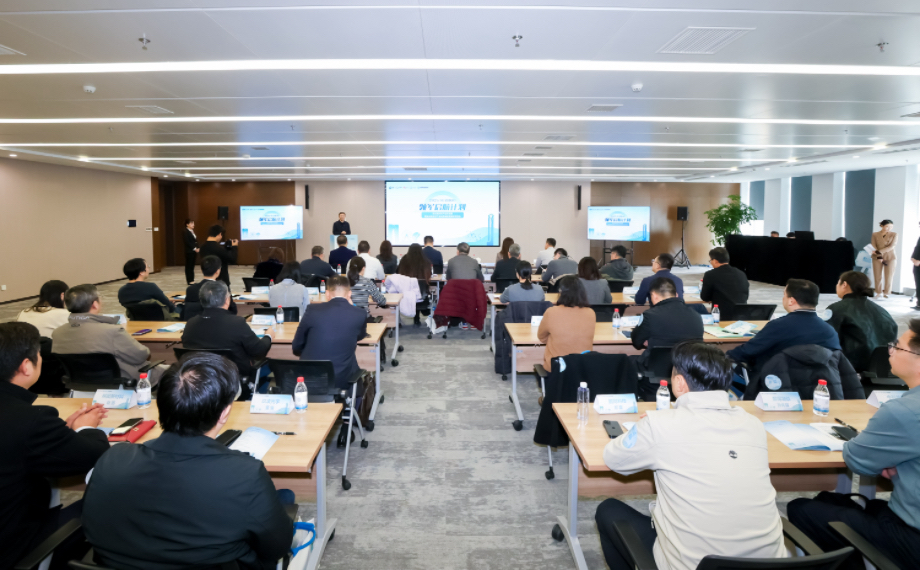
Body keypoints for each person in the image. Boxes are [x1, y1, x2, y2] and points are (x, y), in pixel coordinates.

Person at [82, 352, 295, 570]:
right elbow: (277, 547)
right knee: (285, 500)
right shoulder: (246, 475)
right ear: (224, 413)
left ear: (161, 404)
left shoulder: (112, 458)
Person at [595, 341, 786, 570]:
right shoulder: (753, 424)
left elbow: (613, 458)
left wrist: (643, 428)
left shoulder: (660, 425)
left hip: (694, 566)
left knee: (608, 510)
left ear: (679, 383)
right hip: (771, 566)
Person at [787, 320, 920, 570]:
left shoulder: (903, 411)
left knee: (801, 508)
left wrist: (888, 461)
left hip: (911, 537)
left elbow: (856, 460)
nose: (890, 350)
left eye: (898, 347)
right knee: (831, 500)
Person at [0, 322, 109, 570]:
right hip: (15, 549)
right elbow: (95, 455)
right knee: (106, 500)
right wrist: (86, 428)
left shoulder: (28, 421)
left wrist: (60, 434)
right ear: (26, 366)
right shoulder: (31, 420)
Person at [53, 284, 169, 384]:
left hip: (80, 383)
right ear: (95, 304)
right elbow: (140, 356)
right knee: (173, 372)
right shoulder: (112, 331)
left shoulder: (57, 333)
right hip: (121, 381)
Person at [726, 279, 840, 377]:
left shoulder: (778, 326)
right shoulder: (830, 332)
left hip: (776, 382)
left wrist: (724, 355)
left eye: (784, 294)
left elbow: (747, 351)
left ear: (791, 301)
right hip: (819, 385)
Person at [182, 280, 273, 395]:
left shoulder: (190, 324)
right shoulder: (236, 323)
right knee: (268, 365)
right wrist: (268, 335)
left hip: (199, 382)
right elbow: (259, 350)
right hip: (232, 381)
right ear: (227, 300)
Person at [292, 275, 367, 390]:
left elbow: (296, 345)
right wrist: (352, 307)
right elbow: (360, 336)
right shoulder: (360, 314)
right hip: (341, 379)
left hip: (310, 378)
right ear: (349, 294)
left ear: (327, 294)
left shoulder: (312, 310)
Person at [826, 271, 898, 372]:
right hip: (883, 367)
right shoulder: (882, 311)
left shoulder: (836, 309)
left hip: (851, 367)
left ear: (844, 285)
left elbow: (827, 340)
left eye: (838, 283)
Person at [630, 277, 704, 374]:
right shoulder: (696, 315)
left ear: (654, 296)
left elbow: (636, 341)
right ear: (676, 295)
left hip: (655, 370)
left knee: (627, 361)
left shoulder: (650, 315)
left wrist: (651, 341)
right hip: (688, 370)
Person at [536, 275, 595, 370]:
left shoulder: (551, 312)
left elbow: (541, 337)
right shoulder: (591, 313)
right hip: (582, 368)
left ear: (561, 292)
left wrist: (557, 339)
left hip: (557, 368)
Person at [185, 255, 238, 320]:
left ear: (201, 270)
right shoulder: (223, 288)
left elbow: (186, 311)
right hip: (219, 322)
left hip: (196, 323)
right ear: (218, 271)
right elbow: (233, 310)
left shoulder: (190, 289)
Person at [198, 224, 238, 289]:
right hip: (221, 280)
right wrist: (234, 247)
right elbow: (233, 259)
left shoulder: (202, 247)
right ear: (219, 234)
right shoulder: (219, 248)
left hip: (207, 280)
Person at [871, 219, 898, 298]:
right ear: (881, 226)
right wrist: (878, 255)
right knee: (877, 275)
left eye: (891, 227)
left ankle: (887, 292)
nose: (889, 228)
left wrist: (879, 252)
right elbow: (873, 245)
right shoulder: (875, 234)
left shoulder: (894, 234)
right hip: (877, 257)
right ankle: (878, 292)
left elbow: (892, 246)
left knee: (889, 275)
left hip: (890, 256)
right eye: (887, 226)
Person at [183, 219, 199, 285]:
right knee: (189, 266)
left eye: (193, 223)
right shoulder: (185, 231)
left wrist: (198, 247)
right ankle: (189, 280)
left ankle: (192, 279)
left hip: (193, 251)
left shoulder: (192, 231)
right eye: (191, 223)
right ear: (187, 224)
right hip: (189, 251)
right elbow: (187, 242)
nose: (193, 225)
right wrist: (194, 248)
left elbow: (195, 241)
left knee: (192, 266)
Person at [912, 222, 920, 310]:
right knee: (918, 284)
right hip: (916, 265)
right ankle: (919, 303)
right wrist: (913, 259)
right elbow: (916, 249)